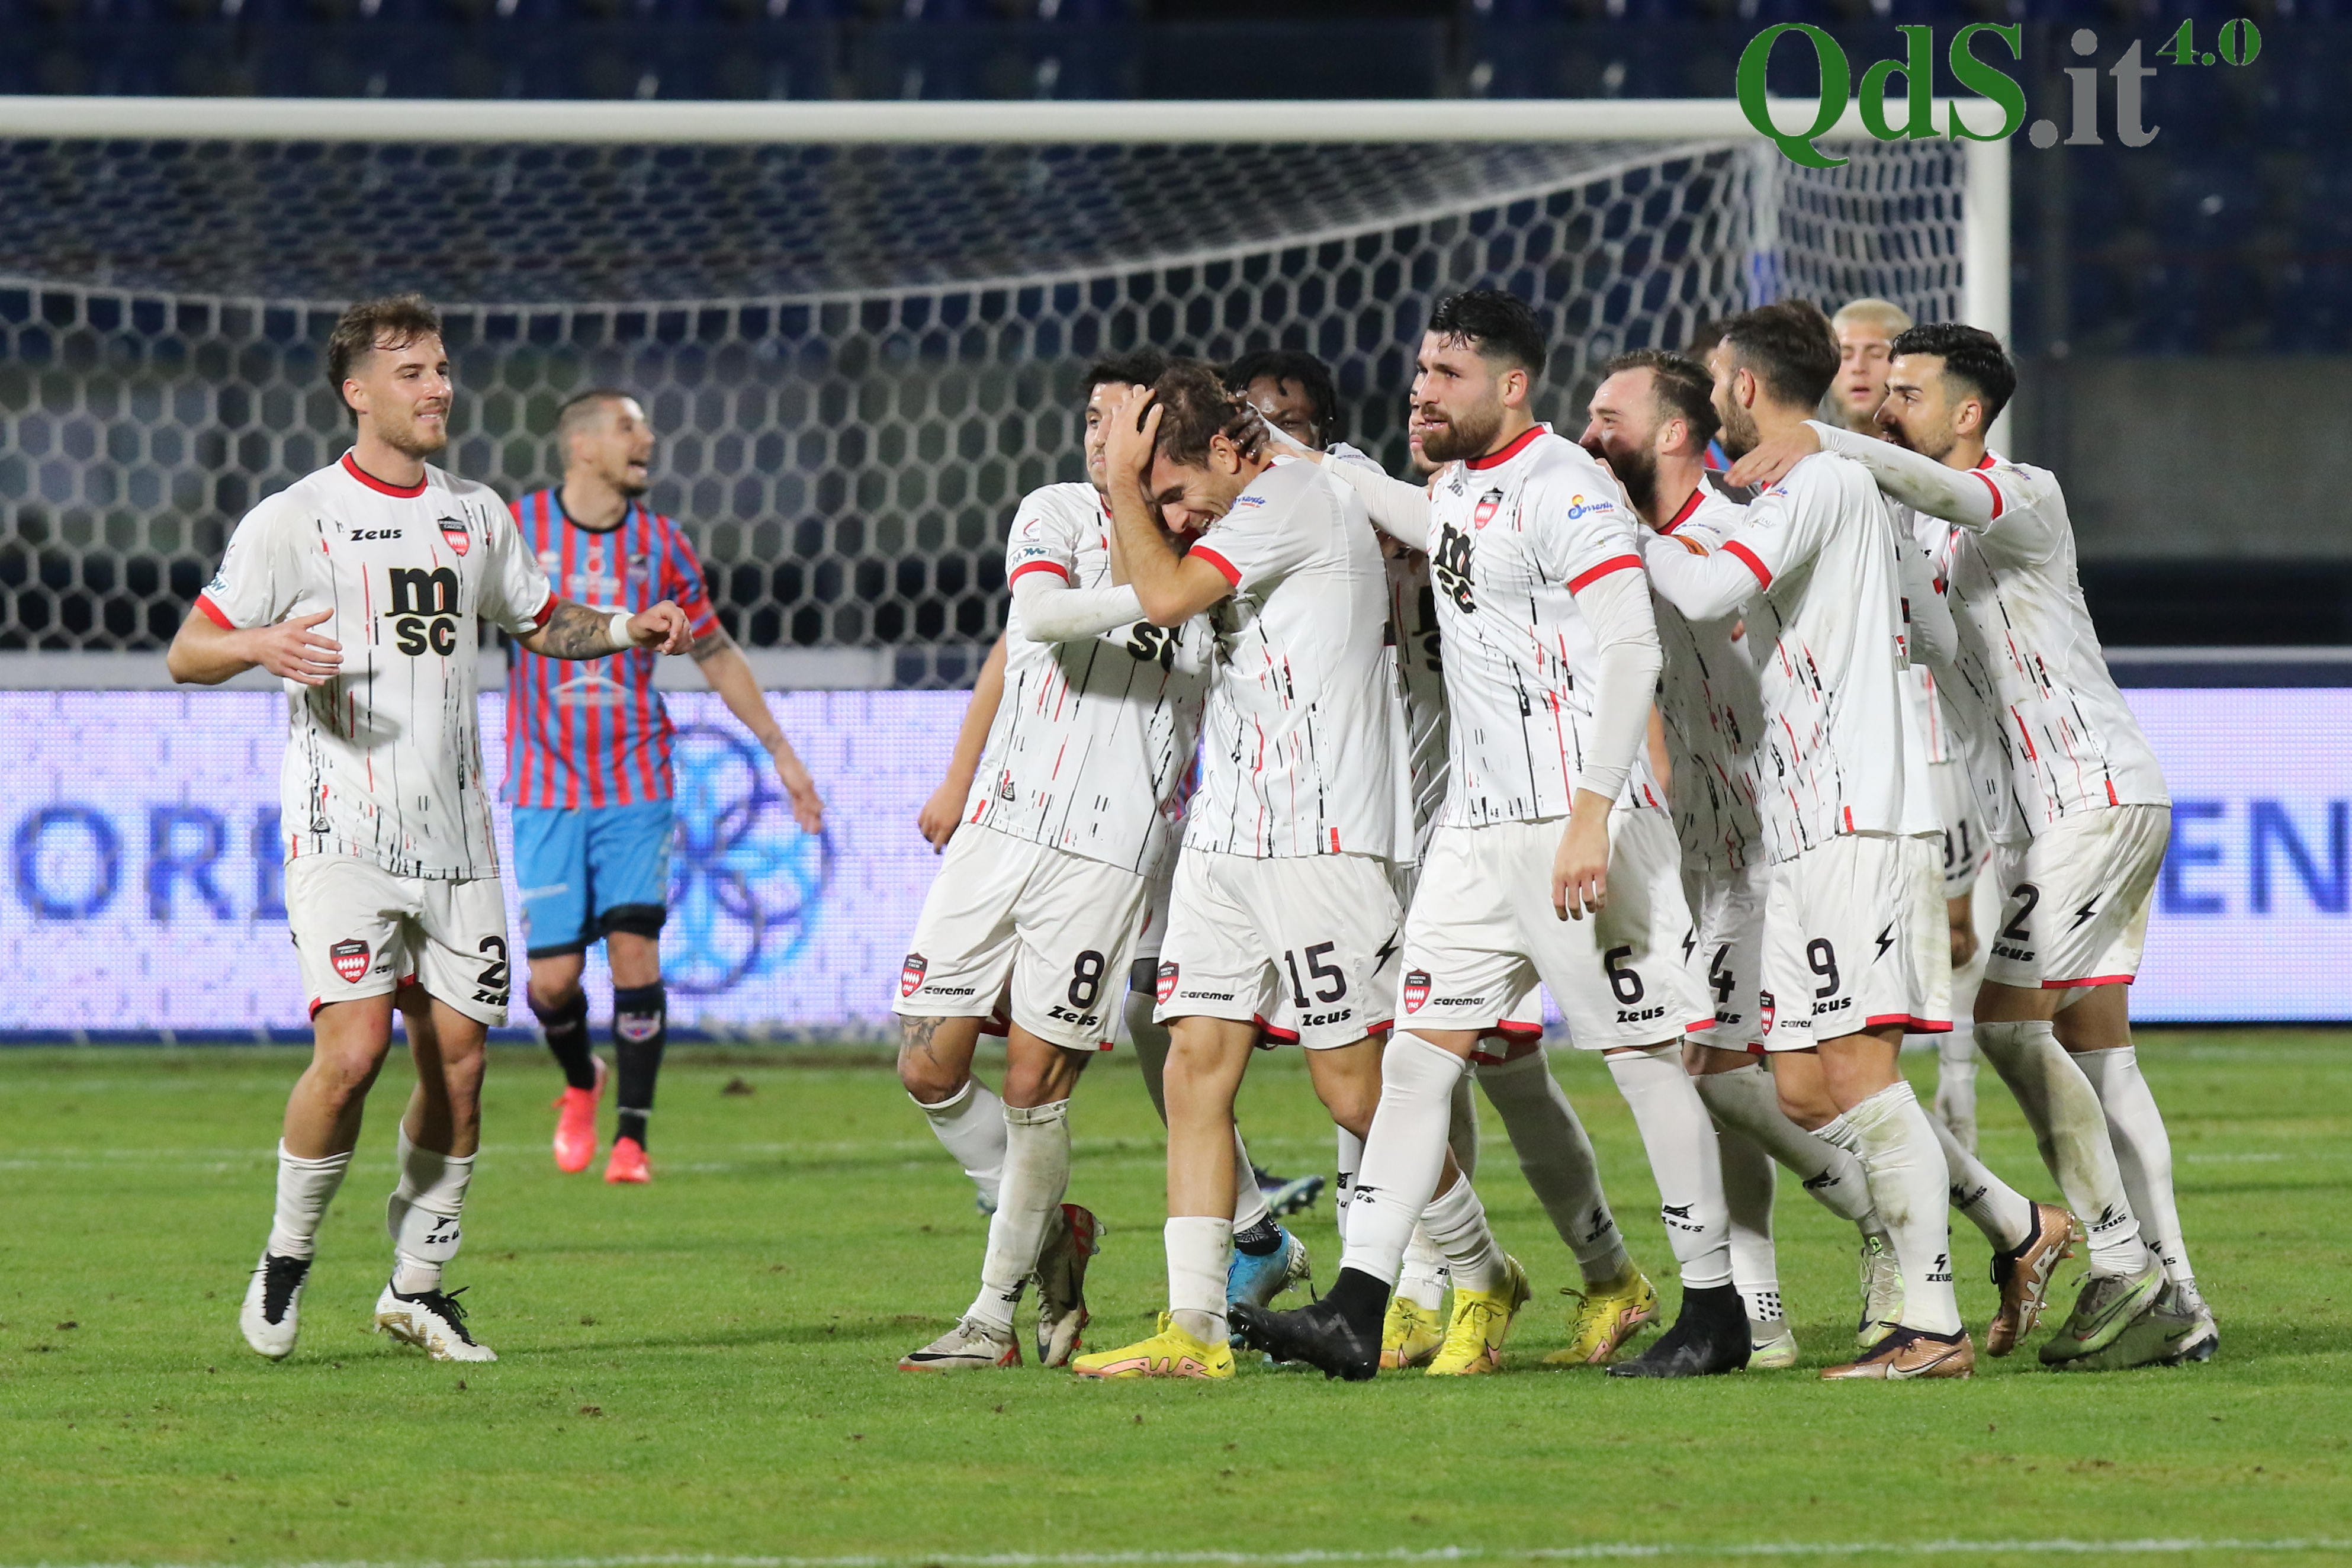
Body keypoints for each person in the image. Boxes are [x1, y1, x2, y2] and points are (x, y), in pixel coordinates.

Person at [1235, 290, 1744, 1383]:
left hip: (1576, 826)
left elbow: (1630, 652)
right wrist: (1261, 434)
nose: (1422, 390)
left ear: (1513, 386)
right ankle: (1359, 1308)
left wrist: (1595, 814)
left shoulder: (1567, 491)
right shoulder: (1463, 488)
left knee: (1645, 1066)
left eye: (1447, 376)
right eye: (1420, 370)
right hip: (1475, 832)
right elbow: (1384, 497)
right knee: (1418, 1063)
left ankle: (1715, 1310)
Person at [176, 294, 695, 1365]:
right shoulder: (296, 516)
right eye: (412, 373)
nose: (438, 389)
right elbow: (192, 648)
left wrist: (623, 631)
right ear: (358, 392)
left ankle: (417, 1286)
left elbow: (541, 620)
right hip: (342, 832)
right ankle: (285, 1257)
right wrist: (264, 642)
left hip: (462, 841)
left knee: (459, 1066)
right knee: (356, 1048)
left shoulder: (476, 512)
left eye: (443, 369)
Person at [1728, 322, 2210, 1368]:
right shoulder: (1914, 535)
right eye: (1882, 387)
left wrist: (1828, 438)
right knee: (2098, 1052)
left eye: (1907, 390)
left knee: (2004, 1024)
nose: (1885, 402)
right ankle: (2181, 1301)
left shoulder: (2022, 494)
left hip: (2095, 796)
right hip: (2025, 826)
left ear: (1968, 413)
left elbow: (1950, 495)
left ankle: (2125, 1263)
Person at [1640, 298, 1973, 1380]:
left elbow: (1700, 589)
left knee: (1863, 1074)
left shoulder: (1827, 481)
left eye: (1716, 378)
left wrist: (1614, 530)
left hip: (1857, 814)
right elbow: (1934, 627)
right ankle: (1990, 1234)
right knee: (1792, 1084)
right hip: (1801, 818)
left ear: (1742, 386)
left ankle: (1932, 1321)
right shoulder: (1813, 491)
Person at [1071, 361, 1408, 1381]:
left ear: (1228, 450)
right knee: (1191, 1070)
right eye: (1155, 496)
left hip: (1323, 834)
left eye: (1176, 491)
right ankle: (1195, 1330)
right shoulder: (1240, 508)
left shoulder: (1291, 497)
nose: (1170, 515)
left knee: (1355, 1095)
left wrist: (1127, 486)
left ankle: (1473, 1273)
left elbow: (1167, 597)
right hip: (1230, 832)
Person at [892, 349, 1226, 1372]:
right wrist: (1155, 598)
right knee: (925, 1058)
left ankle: (993, 1316)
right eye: (1089, 417)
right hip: (1002, 829)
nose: (1096, 436)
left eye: (1118, 420)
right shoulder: (1056, 513)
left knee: (1038, 1081)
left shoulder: (1221, 549)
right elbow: (1035, 619)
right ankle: (1052, 1234)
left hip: (1107, 856)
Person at [1580, 348, 1904, 1369]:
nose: (1589, 437)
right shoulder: (1642, 544)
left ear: (1672, 434)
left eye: (1607, 417)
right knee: (1718, 1074)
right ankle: (1759, 1317)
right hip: (1710, 851)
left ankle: (1900, 1220)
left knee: (1738, 1077)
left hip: (1782, 843)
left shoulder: (1728, 539)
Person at [509, 390, 825, 1185]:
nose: (648, 437)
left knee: (633, 950)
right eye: (628, 426)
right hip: (544, 785)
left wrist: (781, 752)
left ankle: (632, 1139)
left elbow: (715, 652)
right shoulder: (514, 531)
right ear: (582, 446)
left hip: (635, 779)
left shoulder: (662, 543)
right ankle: (582, 1080)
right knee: (549, 983)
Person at [1833, 298, 1993, 1149]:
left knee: (1957, 931)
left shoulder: (1946, 476)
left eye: (1875, 352)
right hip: (1853, 745)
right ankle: (1885, 1118)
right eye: (1843, 351)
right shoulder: (1816, 471)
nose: (1858, 366)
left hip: (1939, 736)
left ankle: (1955, 1099)